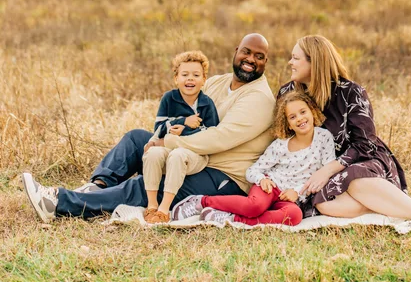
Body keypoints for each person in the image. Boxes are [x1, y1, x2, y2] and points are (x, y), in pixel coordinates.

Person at [22, 33, 275, 222]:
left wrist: (168, 143)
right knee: (136, 140)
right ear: (236, 51)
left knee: (146, 185)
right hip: (191, 155)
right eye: (246, 52)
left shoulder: (259, 99)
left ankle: (58, 203)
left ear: (266, 62)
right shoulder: (218, 83)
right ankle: (97, 188)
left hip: (222, 176)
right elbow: (181, 113)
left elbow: (218, 139)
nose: (250, 60)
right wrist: (160, 137)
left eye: (258, 56)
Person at [278, 35, 411, 233]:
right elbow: (281, 137)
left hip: (362, 162)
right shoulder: (287, 94)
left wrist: (328, 170)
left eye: (295, 58)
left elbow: (365, 144)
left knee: (353, 178)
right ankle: (404, 207)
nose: (290, 62)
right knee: (323, 204)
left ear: (315, 62)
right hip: (318, 173)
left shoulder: (351, 92)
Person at [183, 91, 335, 227]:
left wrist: (297, 191)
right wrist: (262, 179)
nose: (300, 119)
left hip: (290, 198)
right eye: (292, 117)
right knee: (254, 207)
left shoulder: (324, 138)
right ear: (288, 124)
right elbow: (253, 170)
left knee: (295, 215)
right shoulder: (280, 145)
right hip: (270, 188)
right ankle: (201, 202)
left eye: (303, 112)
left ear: (312, 111)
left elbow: (326, 174)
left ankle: (231, 218)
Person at [142, 50, 219, 224]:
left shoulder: (207, 103)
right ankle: (152, 205)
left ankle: (164, 209)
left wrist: (184, 131)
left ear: (204, 79)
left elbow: (212, 135)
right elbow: (159, 128)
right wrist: (183, 121)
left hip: (195, 154)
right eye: (185, 75)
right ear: (176, 78)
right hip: (168, 148)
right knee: (153, 153)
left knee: (177, 155)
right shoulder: (169, 98)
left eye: (196, 75)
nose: (190, 79)